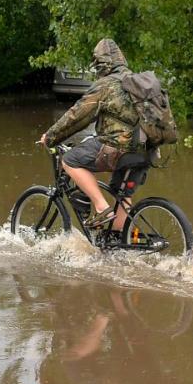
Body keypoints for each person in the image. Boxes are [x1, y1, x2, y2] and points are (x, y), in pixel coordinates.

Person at [38, 38, 147, 245]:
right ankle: (121, 245)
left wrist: (51, 137)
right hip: (144, 151)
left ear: (101, 64)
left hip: (118, 148)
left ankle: (100, 207)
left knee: (70, 159)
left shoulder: (105, 85)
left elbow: (77, 116)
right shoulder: (136, 81)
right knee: (122, 196)